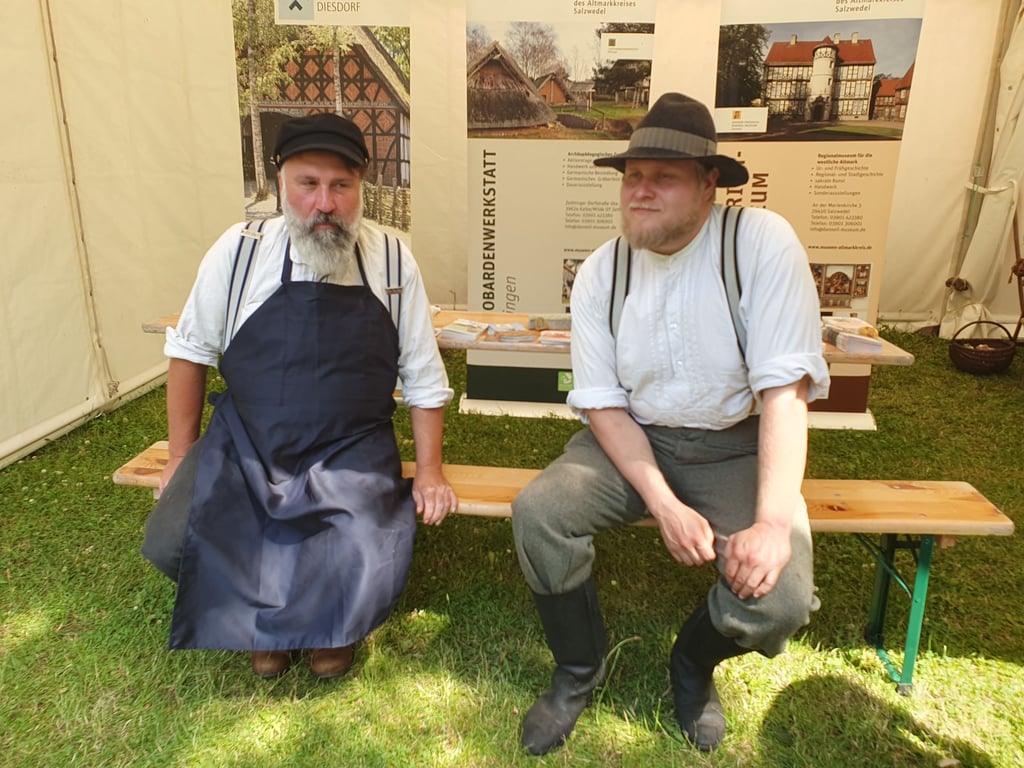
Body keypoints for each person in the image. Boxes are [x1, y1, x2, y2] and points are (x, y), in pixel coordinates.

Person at [511, 93, 830, 754]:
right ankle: (578, 668)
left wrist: (770, 523)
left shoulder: (760, 245)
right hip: (634, 440)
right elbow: (602, 403)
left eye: (665, 177)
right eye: (633, 175)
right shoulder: (602, 270)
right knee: (540, 513)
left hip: (735, 446)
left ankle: (691, 665)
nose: (642, 191)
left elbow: (784, 393)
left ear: (710, 184)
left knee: (780, 598)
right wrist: (662, 503)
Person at [141, 112, 457, 680]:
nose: (325, 204)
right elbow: (188, 351)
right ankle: (271, 628)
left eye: (341, 186)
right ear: (282, 182)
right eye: (308, 184)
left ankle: (326, 631)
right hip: (251, 443)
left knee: (360, 542)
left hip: (351, 447)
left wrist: (429, 469)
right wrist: (181, 457)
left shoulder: (389, 259)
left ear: (362, 187)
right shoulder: (238, 253)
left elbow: (423, 374)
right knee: (172, 536)